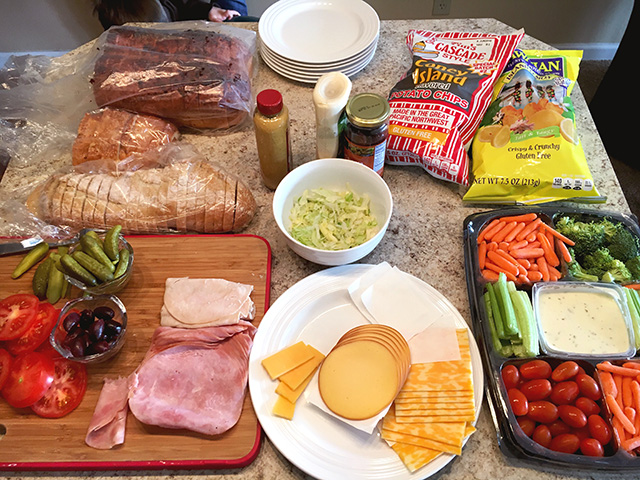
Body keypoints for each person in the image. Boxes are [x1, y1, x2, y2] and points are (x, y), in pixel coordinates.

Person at [94, 0, 257, 30]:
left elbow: (180, 5)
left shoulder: (168, 8)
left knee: (242, 26)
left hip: (187, 19)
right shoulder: (112, 15)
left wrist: (209, 10)